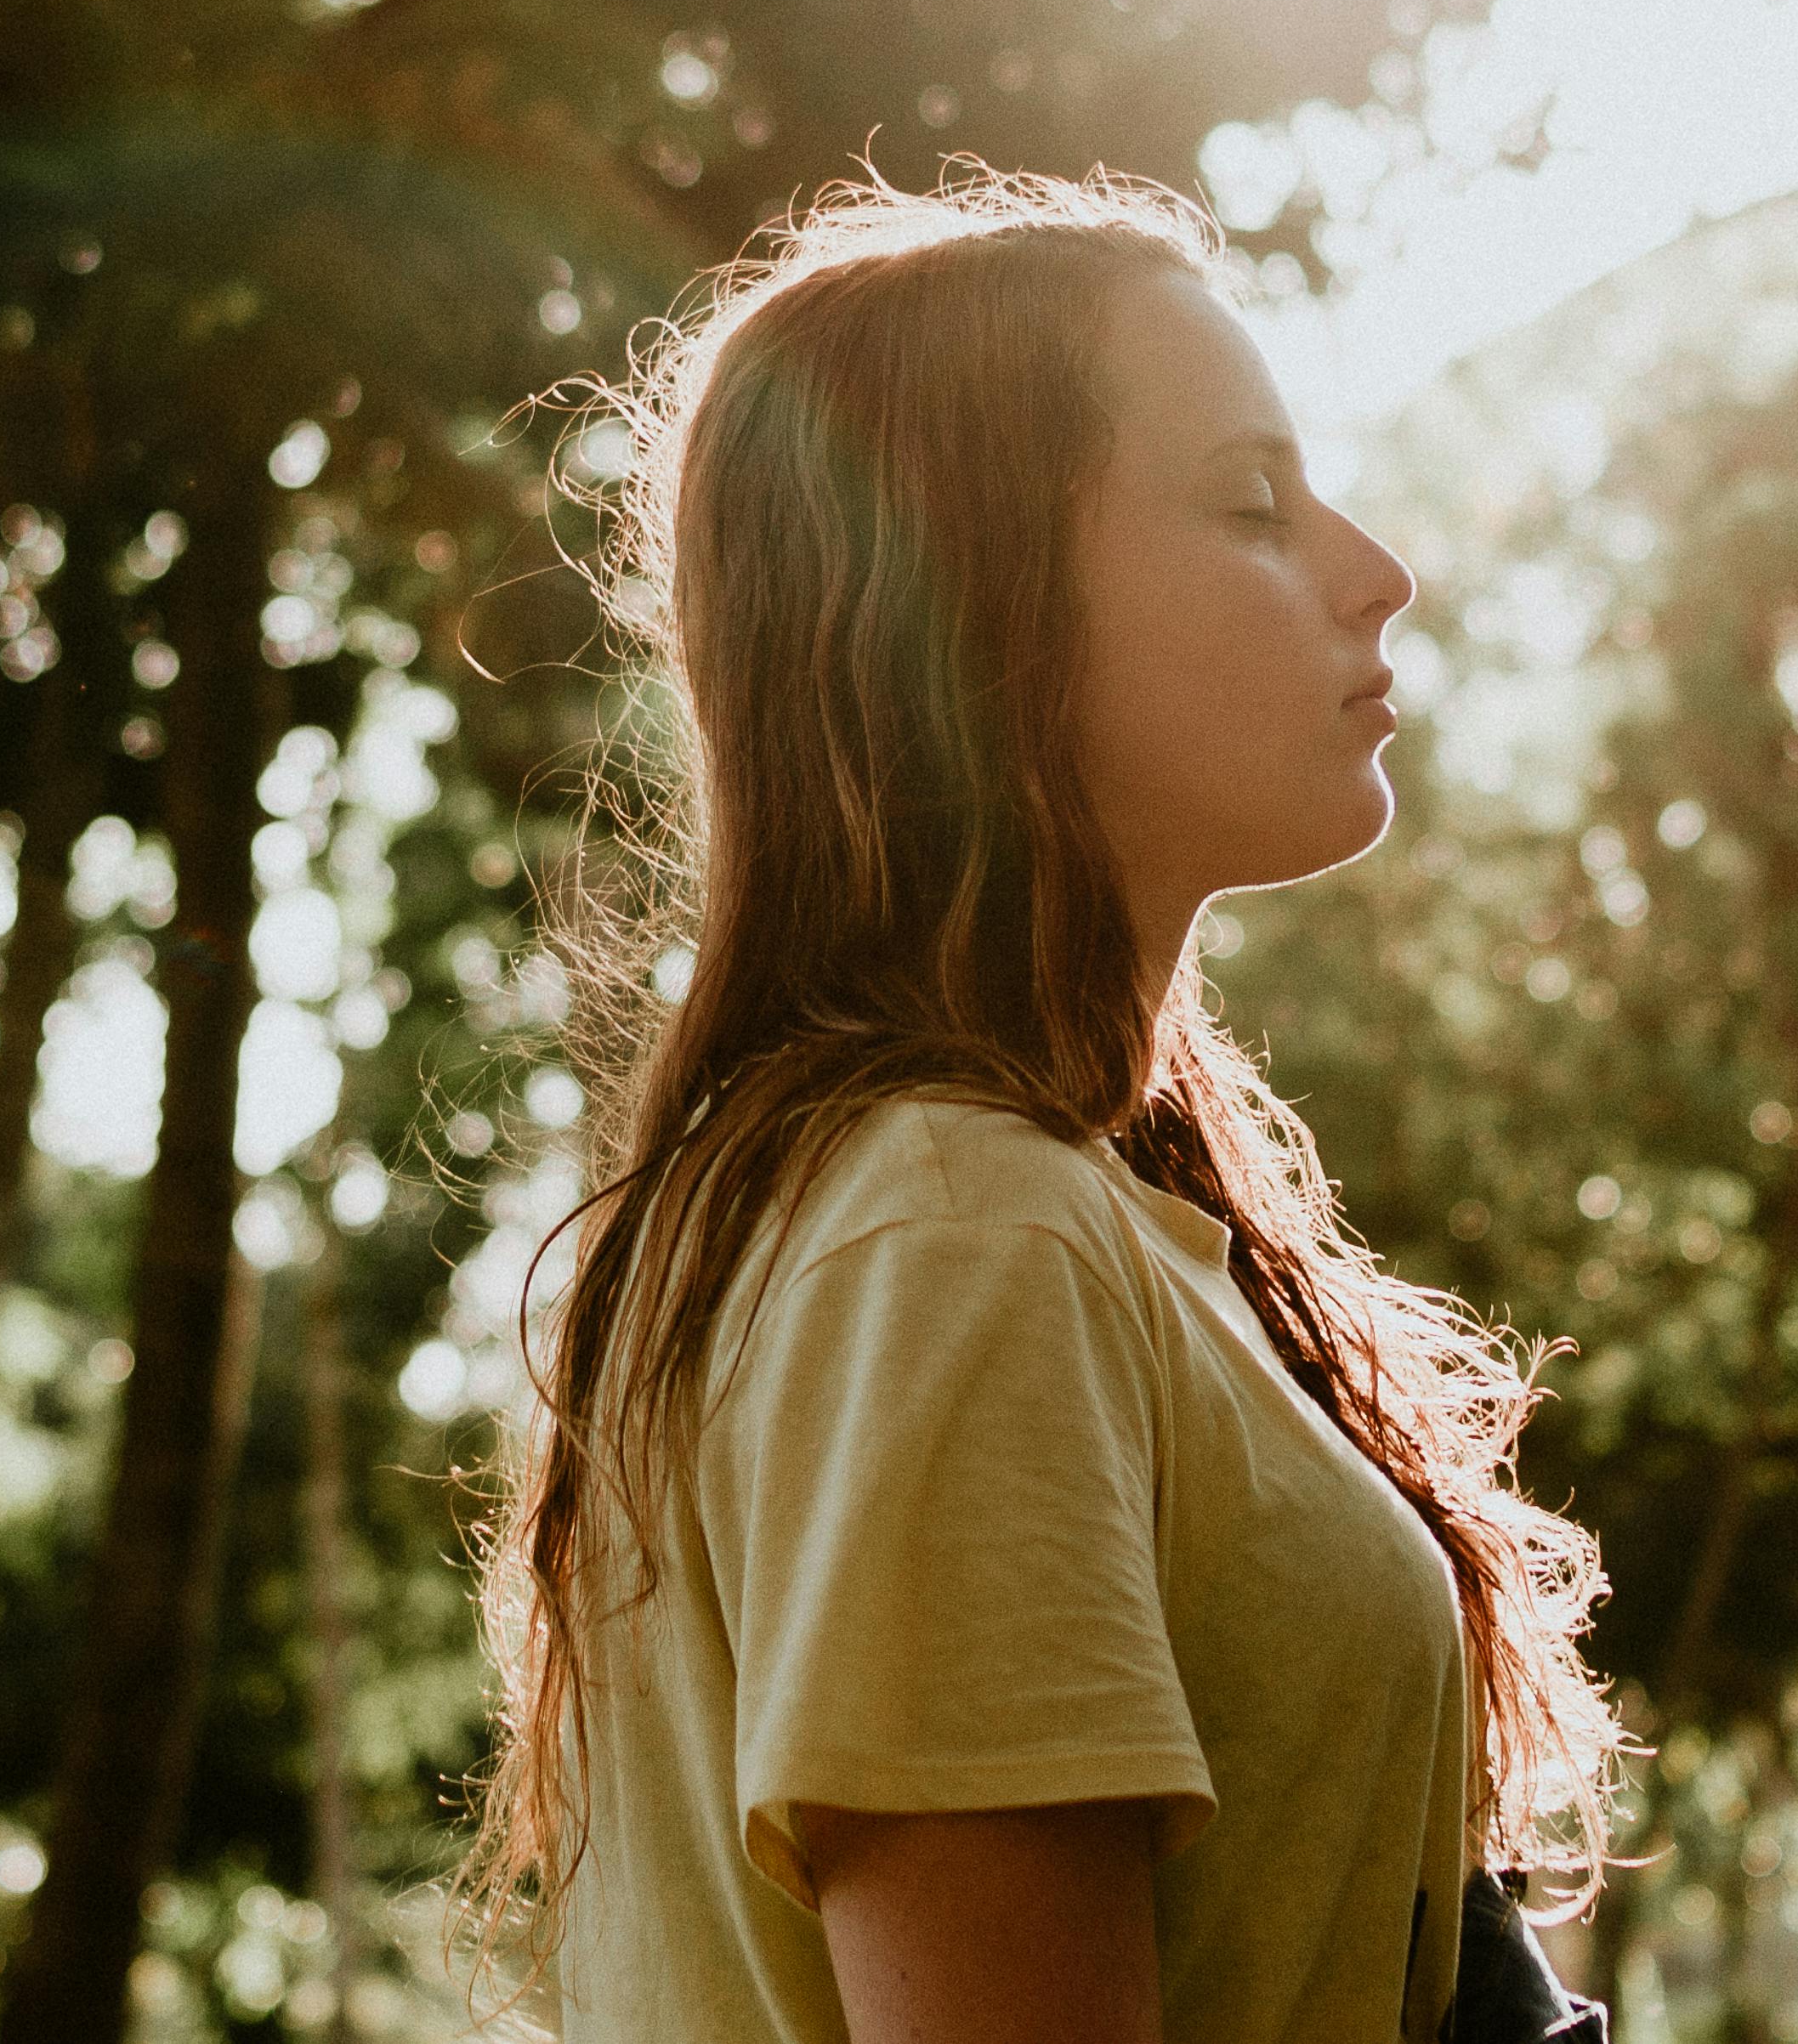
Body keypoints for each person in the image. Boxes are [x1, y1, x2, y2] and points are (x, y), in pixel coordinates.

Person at [463, 172, 1620, 2043]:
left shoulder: (1008, 1217)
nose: (1372, 569)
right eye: (1250, 504)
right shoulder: (953, 1237)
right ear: (974, 609)